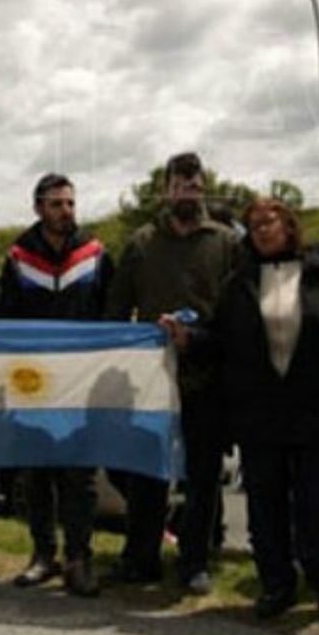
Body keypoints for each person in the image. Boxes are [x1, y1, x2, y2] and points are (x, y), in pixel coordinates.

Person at [189, 198, 319, 626]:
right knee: (265, 504)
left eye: (270, 222)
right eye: (254, 225)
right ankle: (277, 585)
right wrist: (185, 337)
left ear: (289, 226)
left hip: (315, 409)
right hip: (259, 413)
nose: (262, 230)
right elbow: (216, 337)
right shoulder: (239, 282)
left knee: (318, 502)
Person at [106, 151, 236, 594]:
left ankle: (195, 560)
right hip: (151, 381)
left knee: (202, 476)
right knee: (146, 474)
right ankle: (140, 556)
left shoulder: (225, 242)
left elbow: (237, 315)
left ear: (204, 187)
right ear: (166, 190)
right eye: (180, 186)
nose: (188, 193)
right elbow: (115, 311)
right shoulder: (141, 243)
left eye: (195, 185)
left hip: (208, 377)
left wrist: (196, 340)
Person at [0, 173, 114, 597]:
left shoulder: (96, 254)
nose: (65, 211)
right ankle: (43, 554)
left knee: (79, 475)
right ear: (38, 209)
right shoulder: (17, 257)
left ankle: (79, 558)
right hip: (33, 381)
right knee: (37, 471)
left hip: (80, 379)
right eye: (56, 204)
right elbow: (4, 321)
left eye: (70, 203)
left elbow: (112, 314)